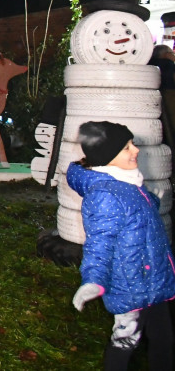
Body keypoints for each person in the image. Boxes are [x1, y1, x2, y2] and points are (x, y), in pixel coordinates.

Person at [67, 121, 175, 370]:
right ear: (107, 157)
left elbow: (136, 219)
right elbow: (99, 243)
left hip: (154, 278)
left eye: (132, 144)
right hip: (131, 286)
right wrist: (93, 280)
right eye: (127, 147)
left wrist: (152, 202)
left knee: (163, 340)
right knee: (125, 343)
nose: (135, 150)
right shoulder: (105, 194)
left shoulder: (128, 182)